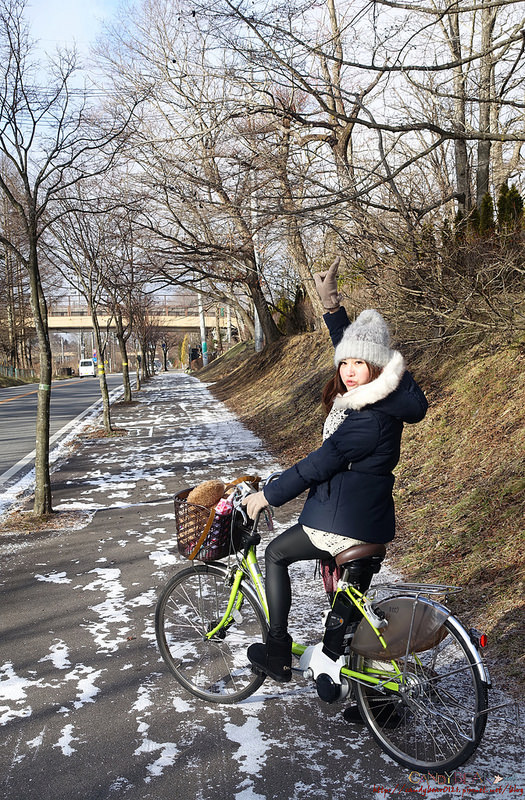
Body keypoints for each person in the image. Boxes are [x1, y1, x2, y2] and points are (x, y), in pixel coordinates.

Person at [242, 257, 428, 687]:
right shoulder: (382, 398)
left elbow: (319, 464)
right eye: (344, 364)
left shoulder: (366, 418)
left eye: (358, 366)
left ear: (376, 370)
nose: (347, 372)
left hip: (345, 523)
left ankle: (276, 651)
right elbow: (357, 354)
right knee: (350, 606)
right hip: (368, 517)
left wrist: (266, 496)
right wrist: (333, 312)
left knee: (276, 554)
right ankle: (379, 700)